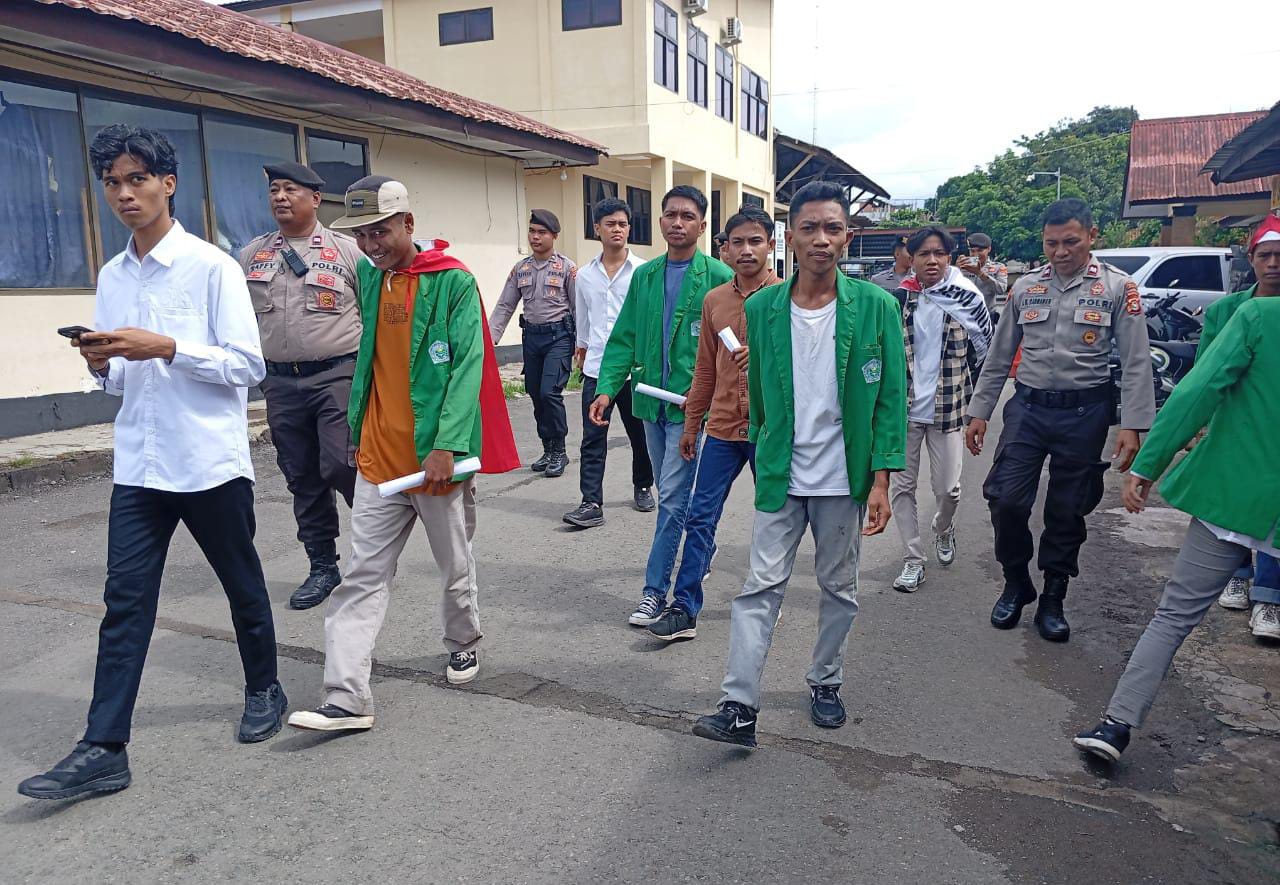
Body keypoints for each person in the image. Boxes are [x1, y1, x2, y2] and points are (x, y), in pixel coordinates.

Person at [18, 126, 284, 800]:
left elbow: (248, 367)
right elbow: (118, 382)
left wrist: (166, 345)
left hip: (207, 461)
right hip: (140, 462)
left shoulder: (212, 267)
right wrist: (103, 360)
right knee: (124, 604)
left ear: (169, 183)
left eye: (137, 179)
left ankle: (265, 686)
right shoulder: (113, 274)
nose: (124, 193)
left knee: (242, 584)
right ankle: (104, 747)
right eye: (112, 181)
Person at [287, 176, 517, 732]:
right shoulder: (371, 277)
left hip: (435, 462)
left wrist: (446, 445)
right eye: (362, 235)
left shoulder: (453, 282)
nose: (371, 245)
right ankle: (346, 697)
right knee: (361, 575)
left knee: (455, 567)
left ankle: (463, 641)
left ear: (408, 224)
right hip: (379, 460)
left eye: (380, 232)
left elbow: (466, 367)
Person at [691, 181, 905, 747]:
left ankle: (826, 680)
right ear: (791, 236)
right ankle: (738, 704)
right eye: (809, 227)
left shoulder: (878, 307)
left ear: (847, 237)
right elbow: (758, 391)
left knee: (839, 586)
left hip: (843, 478)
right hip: (782, 472)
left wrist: (881, 479)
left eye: (832, 228)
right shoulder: (763, 308)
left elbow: (889, 401)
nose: (821, 239)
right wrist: (763, 445)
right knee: (759, 586)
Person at [1073, 275, 1280, 762]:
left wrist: (1149, 464)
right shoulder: (1246, 312)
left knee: (1174, 615)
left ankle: (1116, 726)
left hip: (1237, 492)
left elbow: (1200, 389)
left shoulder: (1259, 317)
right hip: (1239, 494)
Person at [965, 198, 1155, 642]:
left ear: (1092, 237)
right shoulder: (1026, 287)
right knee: (1006, 500)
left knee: (1067, 509)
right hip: (1028, 409)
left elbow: (1135, 361)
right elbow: (998, 356)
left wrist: (1134, 425)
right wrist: (979, 412)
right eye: (1051, 243)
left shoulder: (1117, 288)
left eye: (1071, 241)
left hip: (1085, 413)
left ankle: (1053, 594)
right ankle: (1016, 581)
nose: (1060, 251)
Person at [588, 185, 733, 627]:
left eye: (687, 216)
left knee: (670, 499)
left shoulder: (717, 276)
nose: (677, 222)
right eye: (670, 214)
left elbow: (733, 348)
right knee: (678, 495)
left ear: (702, 226)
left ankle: (654, 592)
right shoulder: (646, 276)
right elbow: (625, 337)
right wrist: (607, 388)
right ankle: (701, 550)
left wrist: (712, 398)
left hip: (694, 410)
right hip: (650, 404)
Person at [646, 207, 778, 641]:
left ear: (771, 245)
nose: (745, 250)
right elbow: (704, 369)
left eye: (755, 241)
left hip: (769, 430)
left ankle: (766, 601)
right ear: (725, 247)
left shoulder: (788, 299)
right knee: (700, 517)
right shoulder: (715, 301)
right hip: (721, 428)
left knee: (774, 520)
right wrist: (690, 425)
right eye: (737, 242)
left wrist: (760, 359)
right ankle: (684, 609)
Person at [240, 162, 365, 611]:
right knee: (302, 474)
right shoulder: (253, 255)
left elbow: (374, 318)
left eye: (290, 189)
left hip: (337, 374)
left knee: (339, 462)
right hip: (280, 382)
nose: (280, 197)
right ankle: (323, 565)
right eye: (274, 190)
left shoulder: (348, 252)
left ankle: (373, 544)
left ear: (315, 198)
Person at [889, 227, 993, 593]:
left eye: (939, 254)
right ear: (911, 259)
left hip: (948, 409)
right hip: (903, 411)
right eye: (924, 254)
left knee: (948, 489)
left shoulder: (968, 298)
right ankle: (913, 559)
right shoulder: (900, 299)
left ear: (949, 257)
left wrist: (977, 408)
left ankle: (943, 529)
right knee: (901, 488)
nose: (931, 261)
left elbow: (986, 357)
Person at [1204, 216, 1280, 640]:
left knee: (1274, 513)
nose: (1273, 264)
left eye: (1279, 256)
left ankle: (1269, 599)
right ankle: (1236, 575)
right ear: (1250, 260)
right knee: (1232, 509)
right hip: (1234, 428)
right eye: (1264, 255)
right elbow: (1204, 376)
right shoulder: (1225, 311)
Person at [562, 198, 655, 528]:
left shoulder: (644, 272)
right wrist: (581, 348)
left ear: (629, 229)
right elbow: (582, 318)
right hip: (597, 370)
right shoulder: (584, 275)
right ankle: (591, 502)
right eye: (610, 224)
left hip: (633, 371)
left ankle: (643, 485)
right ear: (597, 228)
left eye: (623, 224)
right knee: (592, 437)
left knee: (639, 435)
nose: (617, 229)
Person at [489, 210, 578, 478]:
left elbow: (579, 308)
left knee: (550, 392)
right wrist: (489, 339)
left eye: (542, 232)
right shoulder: (521, 269)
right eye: (532, 231)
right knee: (535, 394)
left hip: (559, 338)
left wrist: (582, 346)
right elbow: (505, 306)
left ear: (554, 236)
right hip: (532, 338)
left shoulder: (567, 268)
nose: (535, 237)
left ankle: (560, 450)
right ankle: (548, 448)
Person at [956, 232, 1008, 312]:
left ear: (989, 249)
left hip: (987, 314)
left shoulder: (998, 267)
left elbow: (1001, 289)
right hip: (965, 315)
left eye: (980, 250)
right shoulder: (964, 267)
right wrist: (955, 270)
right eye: (972, 251)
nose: (976, 254)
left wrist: (980, 274)